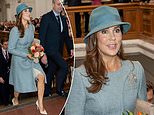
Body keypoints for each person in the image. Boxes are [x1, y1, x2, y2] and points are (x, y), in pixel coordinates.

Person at [65, 6, 147, 115]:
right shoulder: (80, 77)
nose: (112, 37)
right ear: (94, 38)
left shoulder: (136, 69)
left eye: (116, 30)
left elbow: (142, 110)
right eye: (104, 32)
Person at [8, 3, 47, 114]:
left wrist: (37, 49)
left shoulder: (32, 27)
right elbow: (10, 49)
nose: (28, 13)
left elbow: (31, 42)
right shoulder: (15, 30)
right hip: (19, 60)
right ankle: (15, 98)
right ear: (20, 15)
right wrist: (26, 55)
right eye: (25, 11)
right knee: (18, 87)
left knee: (41, 77)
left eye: (29, 11)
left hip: (31, 58)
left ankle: (40, 104)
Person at [39, 0, 74, 97]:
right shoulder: (46, 17)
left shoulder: (63, 19)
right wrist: (42, 54)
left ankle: (47, 92)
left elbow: (66, 36)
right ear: (53, 4)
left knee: (51, 70)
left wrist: (71, 48)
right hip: (49, 50)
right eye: (58, 4)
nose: (60, 7)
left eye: (62, 5)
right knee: (64, 66)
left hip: (58, 50)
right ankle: (59, 89)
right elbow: (42, 37)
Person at [0, 37, 12, 106]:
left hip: (9, 74)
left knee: (8, 89)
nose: (6, 46)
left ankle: (8, 102)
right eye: (5, 44)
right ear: (1, 45)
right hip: (1, 75)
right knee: (2, 90)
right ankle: (4, 103)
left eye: (8, 44)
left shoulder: (10, 52)